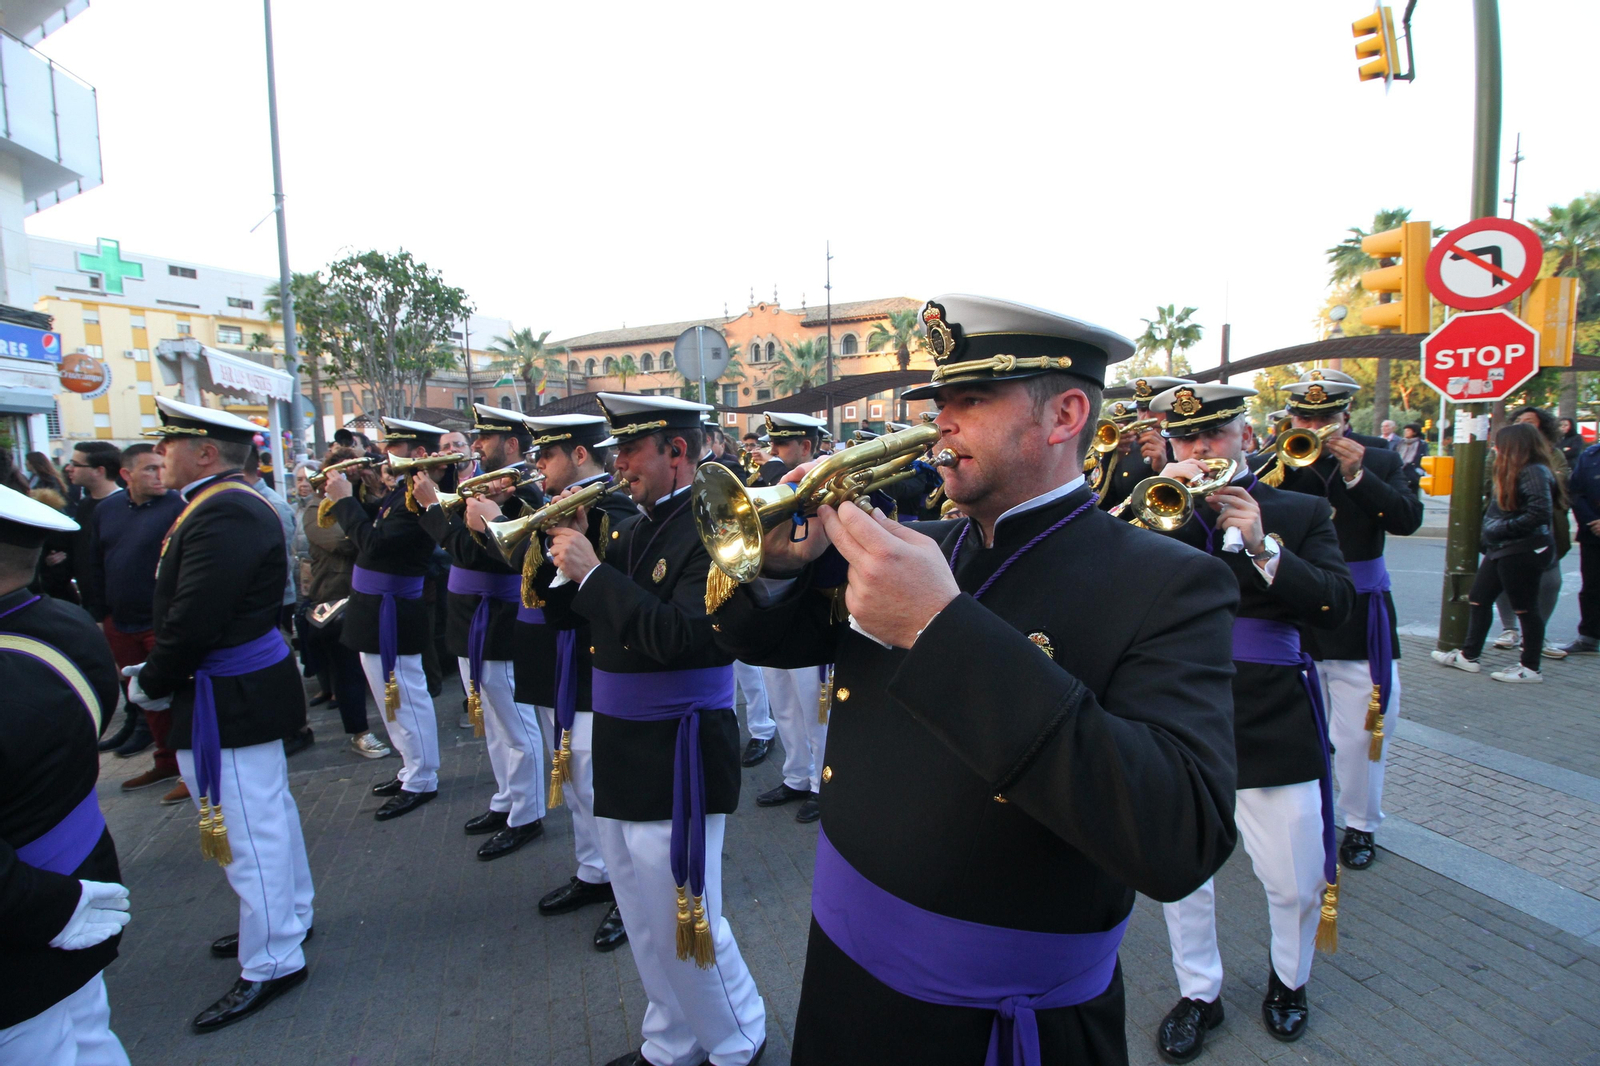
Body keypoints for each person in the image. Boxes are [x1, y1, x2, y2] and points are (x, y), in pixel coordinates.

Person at [712, 296, 1240, 1066]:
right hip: (842, 975)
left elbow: (1181, 835)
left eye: (972, 401)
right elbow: (765, 638)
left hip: (993, 1026)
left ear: (1064, 415)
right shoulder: (919, 541)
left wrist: (938, 628)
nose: (940, 423)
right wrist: (775, 571)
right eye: (939, 401)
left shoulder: (1170, 582)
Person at [537, 392, 767, 1066]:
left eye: (631, 450)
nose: (619, 464)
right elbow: (583, 625)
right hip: (624, 741)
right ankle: (673, 1041)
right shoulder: (636, 526)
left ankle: (738, 1040)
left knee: (684, 917)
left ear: (677, 452)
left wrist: (594, 572)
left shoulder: (712, 526)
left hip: (679, 748)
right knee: (642, 918)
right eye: (616, 451)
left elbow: (685, 638)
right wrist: (562, 567)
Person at [1143, 383, 1354, 1058]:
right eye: (1186, 439)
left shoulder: (1301, 506)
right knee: (1182, 869)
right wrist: (1143, 511)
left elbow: (1337, 606)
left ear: (1244, 435)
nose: (1200, 449)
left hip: (1270, 708)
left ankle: (1289, 980)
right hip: (1177, 708)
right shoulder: (1153, 512)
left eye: (1215, 435)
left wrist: (1265, 547)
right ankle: (1198, 992)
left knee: (1293, 876)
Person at [125, 396, 314, 1032]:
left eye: (169, 445)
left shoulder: (224, 510)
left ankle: (273, 960)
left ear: (206, 453)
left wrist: (152, 680)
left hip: (228, 690)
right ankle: (285, 917)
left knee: (249, 831)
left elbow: (195, 617)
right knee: (266, 815)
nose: (158, 456)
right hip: (235, 685)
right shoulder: (226, 502)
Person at [481, 412, 637, 953]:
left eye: (545, 455)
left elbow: (601, 593)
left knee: (598, 782)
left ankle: (627, 890)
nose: (535, 464)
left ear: (577, 454)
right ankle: (594, 871)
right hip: (553, 661)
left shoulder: (614, 508)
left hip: (592, 664)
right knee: (571, 779)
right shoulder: (547, 505)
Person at [1257, 369, 1421, 872]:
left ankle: (1362, 824)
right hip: (1299, 607)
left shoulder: (1384, 457)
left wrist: (1359, 477)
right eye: (1304, 416)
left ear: (1345, 416)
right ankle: (1301, 813)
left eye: (1325, 417)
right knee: (1301, 724)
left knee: (1364, 730)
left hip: (1360, 613)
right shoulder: (1277, 459)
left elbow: (1407, 519)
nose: (1314, 425)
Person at [0, 485, 132, 1065]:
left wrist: (44, 906)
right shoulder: (64, 623)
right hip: (71, 871)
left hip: (29, 913)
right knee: (87, 1035)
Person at [415, 404, 550, 861]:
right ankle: (508, 799)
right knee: (494, 722)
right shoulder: (485, 485)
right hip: (471, 616)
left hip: (500, 619)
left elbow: (472, 554)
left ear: (511, 445)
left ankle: (527, 814)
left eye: (485, 440)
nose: (475, 446)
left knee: (516, 723)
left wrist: (436, 511)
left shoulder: (526, 493)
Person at [323, 416, 449, 821]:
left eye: (395, 449)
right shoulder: (403, 493)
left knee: (406, 699)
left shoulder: (424, 499)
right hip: (374, 609)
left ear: (420, 455)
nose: (386, 457)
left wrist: (343, 501)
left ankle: (422, 777)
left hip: (393, 611)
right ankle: (410, 765)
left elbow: (374, 544)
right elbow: (376, 520)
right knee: (388, 701)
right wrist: (358, 487)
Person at [82, 443, 187, 797]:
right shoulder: (107, 510)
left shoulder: (178, 507)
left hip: (162, 622)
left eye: (162, 467)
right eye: (149, 469)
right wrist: (102, 615)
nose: (160, 475)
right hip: (121, 621)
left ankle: (191, 770)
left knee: (177, 697)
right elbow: (95, 563)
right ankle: (166, 762)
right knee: (143, 698)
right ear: (126, 474)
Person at [746, 412, 832, 825]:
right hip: (774, 604)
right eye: (772, 445)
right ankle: (796, 773)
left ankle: (821, 783)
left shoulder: (828, 480)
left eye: (781, 446)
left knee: (814, 705)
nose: (772, 452)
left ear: (806, 448)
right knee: (781, 699)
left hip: (813, 608)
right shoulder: (767, 482)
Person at [1433, 422, 1561, 683]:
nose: (1495, 448)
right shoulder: (1519, 470)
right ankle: (1469, 656)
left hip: (1521, 547)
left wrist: (1498, 528)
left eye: (1499, 444)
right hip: (1504, 547)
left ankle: (1530, 667)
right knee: (1479, 597)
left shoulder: (1534, 471)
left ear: (1514, 447)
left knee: (1525, 608)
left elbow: (1539, 512)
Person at [302, 447, 392, 760]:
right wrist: (350, 505)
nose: (350, 475)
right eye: (342, 472)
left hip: (369, 594)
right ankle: (359, 733)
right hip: (335, 597)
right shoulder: (316, 507)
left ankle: (392, 728)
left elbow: (378, 533)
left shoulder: (362, 501)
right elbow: (348, 543)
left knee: (379, 670)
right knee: (348, 671)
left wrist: (370, 492)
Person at [1490, 406, 1570, 661]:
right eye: (1520, 421)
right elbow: (1490, 485)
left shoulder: (1548, 458)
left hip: (1539, 532)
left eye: (1530, 422)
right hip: (1505, 532)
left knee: (1549, 582)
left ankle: (1533, 641)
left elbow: (1557, 487)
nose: (1525, 425)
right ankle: (1510, 630)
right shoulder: (1499, 456)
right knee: (1494, 584)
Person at [65, 442, 125, 604]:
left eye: (75, 464)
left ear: (99, 471)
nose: (68, 469)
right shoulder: (85, 504)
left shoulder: (124, 506)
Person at [1564, 437, 1600, 654]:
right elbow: (1575, 493)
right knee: (1592, 587)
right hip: (1592, 532)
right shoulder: (1590, 456)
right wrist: (1591, 522)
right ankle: (1589, 636)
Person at [1393, 423, 1428, 494]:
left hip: (1413, 473)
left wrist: (1418, 472)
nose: (1405, 432)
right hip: (1400, 471)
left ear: (1414, 432)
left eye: (1408, 430)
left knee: (1412, 494)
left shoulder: (1421, 444)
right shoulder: (1400, 443)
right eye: (1405, 430)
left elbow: (1423, 458)